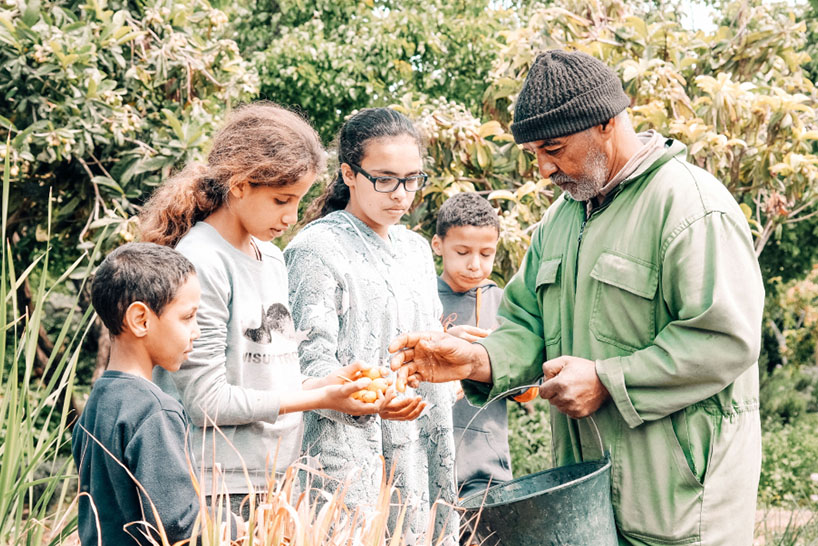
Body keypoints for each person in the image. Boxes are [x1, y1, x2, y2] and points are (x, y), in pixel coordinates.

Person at [389, 49, 764, 545]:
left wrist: (608, 380)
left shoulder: (691, 207)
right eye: (533, 154)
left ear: (607, 123)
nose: (543, 169)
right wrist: (476, 359)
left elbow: (725, 339)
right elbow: (526, 325)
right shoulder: (561, 221)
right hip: (585, 498)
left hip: (681, 508)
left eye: (554, 147)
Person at [139, 102, 386, 518]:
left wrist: (329, 386)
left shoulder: (270, 257)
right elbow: (206, 401)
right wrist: (319, 397)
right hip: (216, 488)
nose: (291, 217)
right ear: (238, 184)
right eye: (280, 200)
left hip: (274, 481)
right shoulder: (202, 261)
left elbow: (270, 378)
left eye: (298, 201)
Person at [285, 107, 457, 544]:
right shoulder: (315, 249)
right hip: (347, 453)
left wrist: (453, 351)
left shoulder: (417, 250)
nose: (401, 194)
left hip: (422, 443)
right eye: (385, 179)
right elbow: (307, 365)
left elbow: (425, 337)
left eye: (412, 179)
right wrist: (372, 398)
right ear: (349, 173)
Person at [72, 243, 239, 545]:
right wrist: (242, 525)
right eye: (188, 317)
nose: (196, 331)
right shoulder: (154, 411)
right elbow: (177, 524)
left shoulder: (96, 403)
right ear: (141, 320)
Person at [431, 192, 515, 501]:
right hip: (424, 460)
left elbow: (528, 387)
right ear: (438, 245)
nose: (474, 264)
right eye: (463, 251)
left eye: (486, 253)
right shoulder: (417, 298)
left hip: (486, 465)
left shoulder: (504, 304)